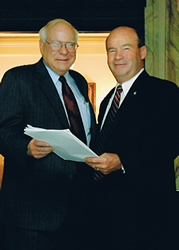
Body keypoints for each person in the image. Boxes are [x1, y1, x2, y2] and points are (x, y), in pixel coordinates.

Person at [0, 19, 96, 250]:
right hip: (33, 216)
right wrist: (25, 147)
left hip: (79, 209)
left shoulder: (80, 82)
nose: (64, 51)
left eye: (70, 44)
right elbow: (3, 131)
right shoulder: (18, 78)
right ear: (42, 45)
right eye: (56, 43)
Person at [85, 26, 179, 250]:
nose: (118, 56)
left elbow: (169, 144)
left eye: (126, 48)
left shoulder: (163, 92)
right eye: (111, 50)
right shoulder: (108, 100)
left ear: (142, 52)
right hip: (106, 220)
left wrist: (122, 161)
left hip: (147, 221)